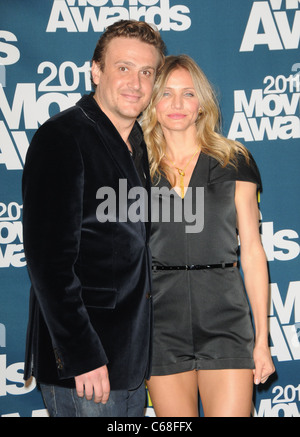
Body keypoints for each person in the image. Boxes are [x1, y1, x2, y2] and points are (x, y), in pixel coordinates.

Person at [22, 20, 165, 417]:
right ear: (96, 71)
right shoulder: (62, 137)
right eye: (123, 68)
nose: (135, 82)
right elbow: (48, 263)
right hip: (87, 366)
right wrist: (82, 355)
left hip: (129, 360)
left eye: (146, 72)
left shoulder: (138, 142)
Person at [141, 55, 275, 417]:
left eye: (188, 94)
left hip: (225, 319)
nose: (178, 104)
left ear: (202, 103)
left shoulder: (234, 160)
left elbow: (252, 252)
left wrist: (262, 341)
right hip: (160, 325)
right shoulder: (136, 166)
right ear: (152, 103)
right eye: (166, 94)